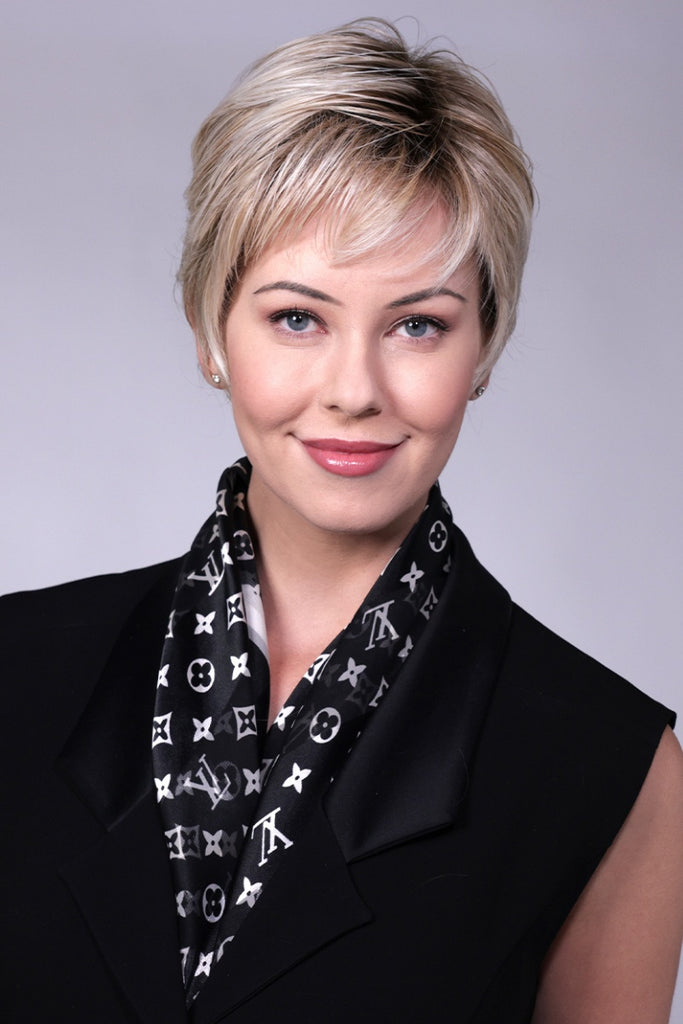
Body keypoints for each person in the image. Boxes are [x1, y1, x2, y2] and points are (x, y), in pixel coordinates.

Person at [2, 18, 682, 1024]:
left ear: (484, 346)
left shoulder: (613, 769)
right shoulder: (16, 664)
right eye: (296, 317)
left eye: (417, 323)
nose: (353, 390)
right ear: (208, 331)